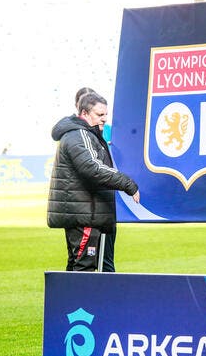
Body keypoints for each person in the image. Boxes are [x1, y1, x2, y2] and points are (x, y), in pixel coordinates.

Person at [47, 90, 140, 272]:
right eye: (99, 115)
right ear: (84, 114)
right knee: (84, 268)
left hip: (87, 212)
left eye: (105, 114)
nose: (104, 119)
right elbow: (92, 167)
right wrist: (128, 184)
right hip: (85, 214)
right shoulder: (79, 135)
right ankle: (79, 301)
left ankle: (75, 301)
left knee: (80, 266)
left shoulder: (84, 134)